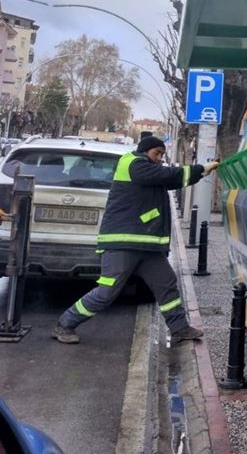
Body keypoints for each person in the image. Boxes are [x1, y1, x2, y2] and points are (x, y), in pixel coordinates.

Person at [53, 136, 218, 345]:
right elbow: (169, 174)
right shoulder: (133, 163)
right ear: (144, 151)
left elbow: (174, 180)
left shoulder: (147, 170)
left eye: (162, 154)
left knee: (166, 284)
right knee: (107, 292)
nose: (160, 158)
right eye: (157, 153)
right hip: (122, 244)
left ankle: (179, 328)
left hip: (146, 245)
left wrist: (202, 172)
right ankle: (65, 324)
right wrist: (200, 167)